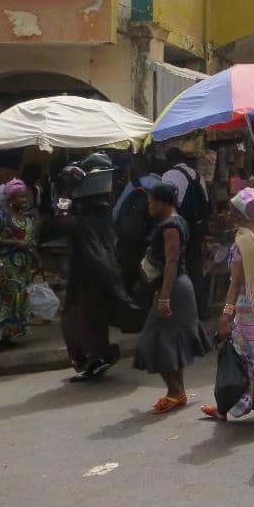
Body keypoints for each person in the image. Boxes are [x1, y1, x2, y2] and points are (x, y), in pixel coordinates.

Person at [202, 188, 254, 420]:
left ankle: (226, 407)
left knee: (242, 355)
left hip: (249, 305)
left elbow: (236, 283)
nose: (228, 214)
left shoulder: (242, 241)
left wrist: (225, 315)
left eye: (231, 210)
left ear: (240, 214)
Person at [57, 153, 139, 381]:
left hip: (89, 275)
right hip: (97, 273)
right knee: (91, 319)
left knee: (80, 321)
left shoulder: (90, 214)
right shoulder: (101, 208)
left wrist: (65, 192)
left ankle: (99, 357)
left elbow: (61, 217)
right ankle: (96, 358)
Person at [133, 183, 212, 414]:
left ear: (161, 202)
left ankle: (175, 391)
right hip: (175, 286)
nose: (148, 205)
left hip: (176, 288)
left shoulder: (170, 227)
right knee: (170, 340)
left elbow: (172, 261)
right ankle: (177, 392)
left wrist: (165, 297)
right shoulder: (177, 221)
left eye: (151, 201)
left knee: (153, 340)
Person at [0, 180, 41, 347]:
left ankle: (7, 334)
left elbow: (31, 243)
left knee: (19, 297)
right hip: (4, 267)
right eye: (20, 196)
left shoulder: (28, 219)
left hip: (23, 267)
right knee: (6, 298)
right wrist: (12, 243)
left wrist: (38, 262)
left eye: (25, 196)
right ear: (10, 198)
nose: (24, 200)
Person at [161, 147, 210, 315]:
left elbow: (166, 203)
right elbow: (206, 201)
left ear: (169, 161)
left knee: (177, 265)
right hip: (197, 227)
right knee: (196, 265)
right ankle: (200, 308)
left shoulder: (168, 176)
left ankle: (182, 309)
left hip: (179, 227)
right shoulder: (198, 175)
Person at [114, 156, 161, 299]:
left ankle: (126, 306)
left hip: (129, 237)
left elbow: (117, 211)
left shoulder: (135, 184)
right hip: (149, 239)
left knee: (127, 272)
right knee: (149, 273)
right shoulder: (163, 186)